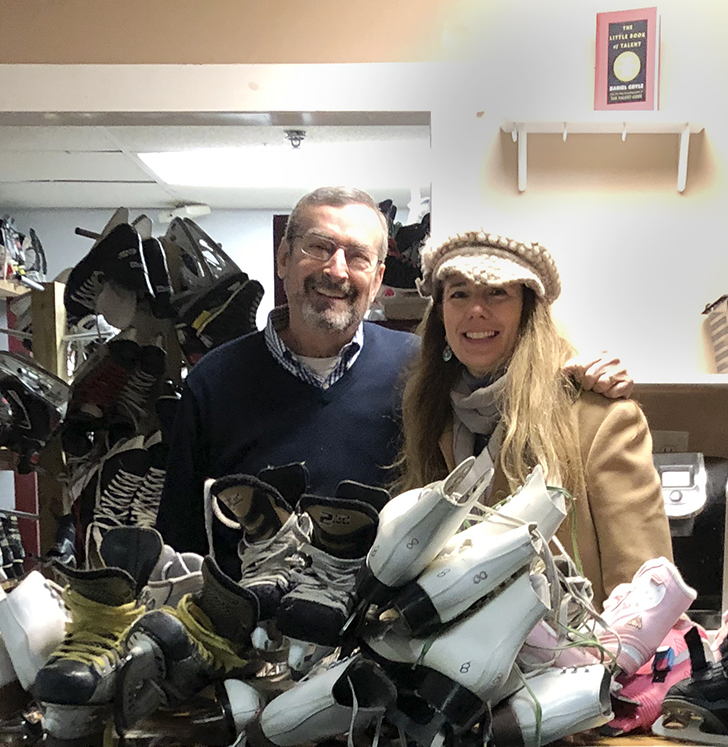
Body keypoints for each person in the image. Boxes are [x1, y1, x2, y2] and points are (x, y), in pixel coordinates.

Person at [157, 187, 630, 553]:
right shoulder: (214, 382)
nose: (337, 271)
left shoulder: (418, 368)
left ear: (379, 277)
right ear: (283, 258)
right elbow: (181, 539)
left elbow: (506, 384)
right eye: (319, 248)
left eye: (358, 256)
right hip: (256, 646)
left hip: (388, 642)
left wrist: (576, 374)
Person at [399, 230, 671, 595]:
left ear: (529, 310)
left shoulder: (600, 419)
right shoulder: (430, 416)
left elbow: (647, 595)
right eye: (459, 294)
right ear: (441, 315)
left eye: (497, 292)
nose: (475, 309)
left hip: (577, 649)